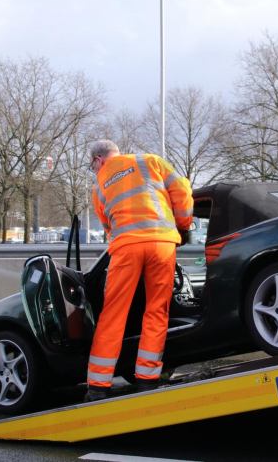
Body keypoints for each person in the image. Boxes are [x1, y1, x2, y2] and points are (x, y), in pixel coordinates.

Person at [85, 140, 193, 402]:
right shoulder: (150, 161)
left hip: (125, 248)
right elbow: (181, 189)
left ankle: (98, 385)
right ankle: (147, 380)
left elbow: (106, 222)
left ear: (99, 160)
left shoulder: (99, 183)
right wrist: (183, 223)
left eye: (92, 165)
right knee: (156, 310)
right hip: (162, 244)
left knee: (113, 313)